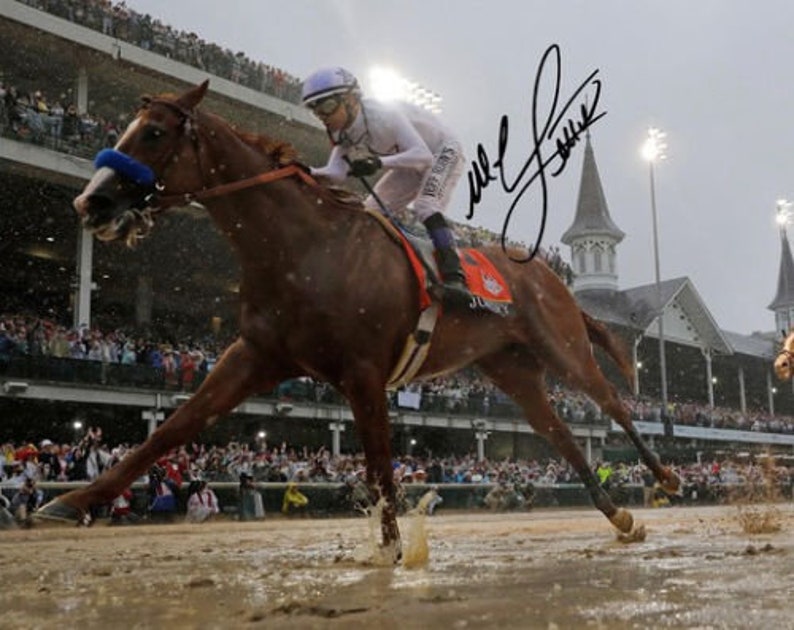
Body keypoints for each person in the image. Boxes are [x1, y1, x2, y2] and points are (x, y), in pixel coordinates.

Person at [301, 66, 471, 306]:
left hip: (442, 149)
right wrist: (303, 171)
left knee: (426, 204)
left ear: (350, 100)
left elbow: (423, 156)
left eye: (327, 107)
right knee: (368, 212)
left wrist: (378, 162)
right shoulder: (342, 132)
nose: (323, 116)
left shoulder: (383, 114)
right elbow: (336, 173)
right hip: (411, 160)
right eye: (316, 111)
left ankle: (455, 276)